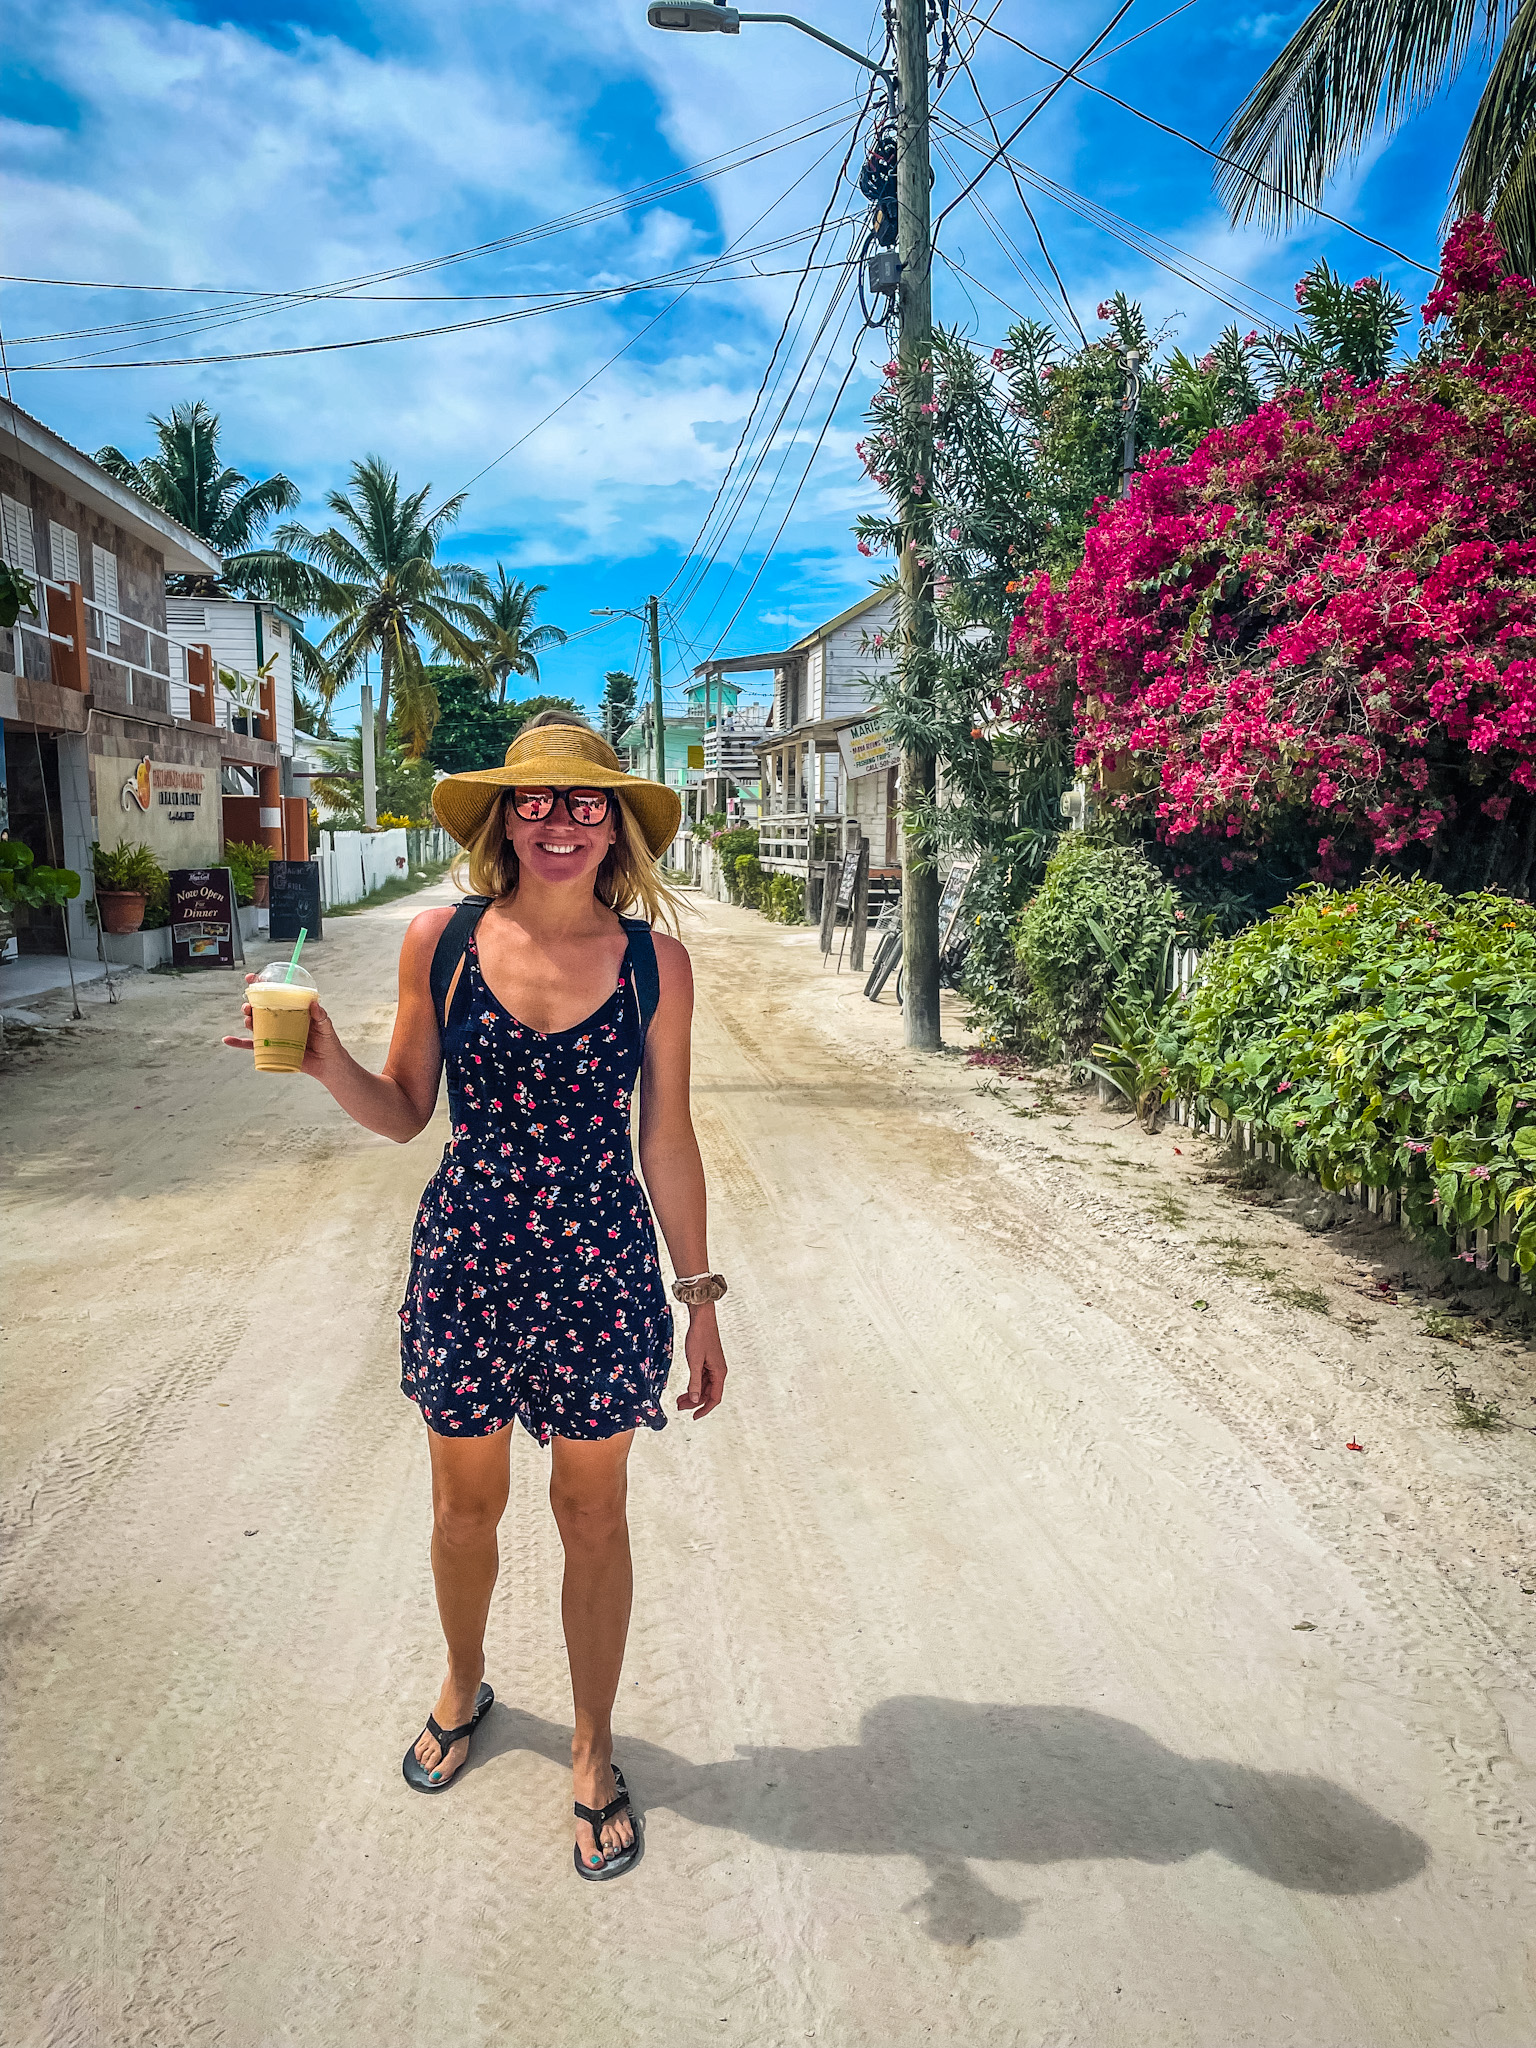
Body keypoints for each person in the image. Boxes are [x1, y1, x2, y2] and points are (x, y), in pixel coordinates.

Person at [224, 714, 728, 1880]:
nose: (561, 820)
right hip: (467, 1264)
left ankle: (593, 1748)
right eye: (537, 800)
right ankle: (463, 1679)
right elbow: (406, 1107)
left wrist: (698, 1295)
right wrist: (322, 1060)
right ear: (504, 816)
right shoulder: (439, 941)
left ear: (618, 826)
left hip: (601, 1270)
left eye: (585, 802)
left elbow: (669, 1130)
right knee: (466, 1509)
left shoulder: (654, 961)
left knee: (593, 1514)